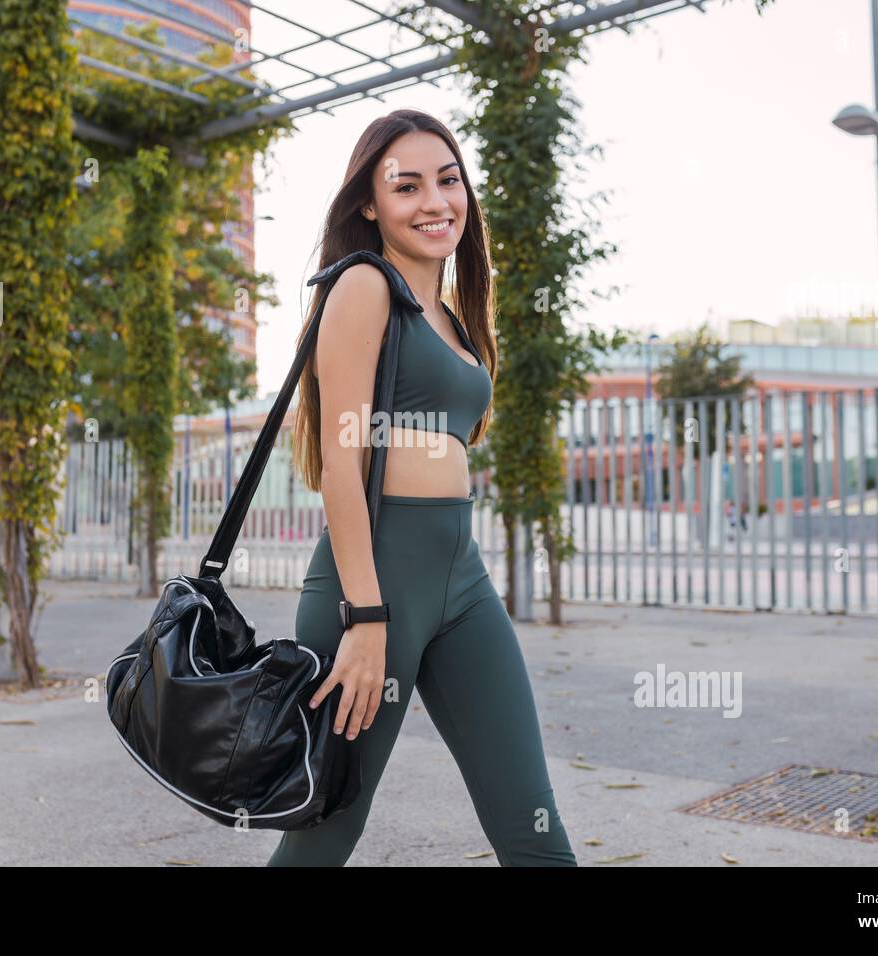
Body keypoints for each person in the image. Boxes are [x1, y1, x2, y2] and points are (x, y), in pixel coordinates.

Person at [268, 109, 577, 866]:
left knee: (532, 829)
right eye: (406, 186)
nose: (435, 202)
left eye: (449, 180)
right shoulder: (365, 285)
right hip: (370, 587)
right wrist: (366, 615)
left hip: (460, 578)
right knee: (326, 836)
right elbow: (343, 459)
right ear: (369, 204)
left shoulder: (451, 314)